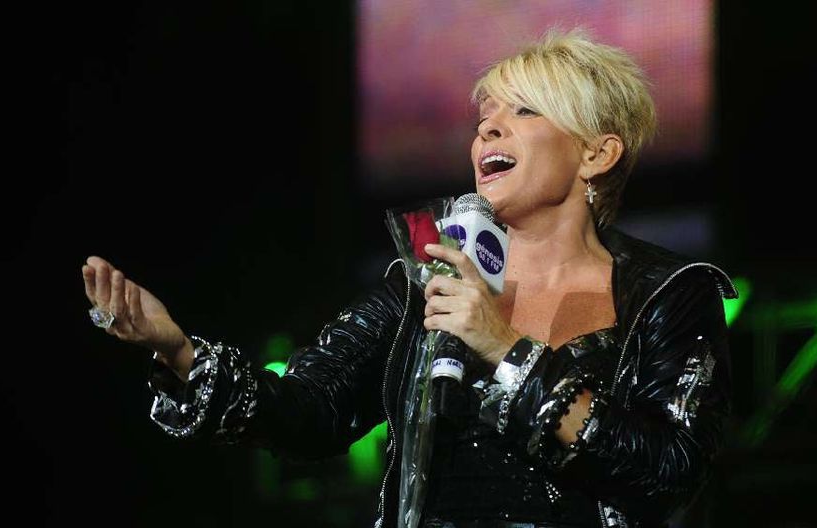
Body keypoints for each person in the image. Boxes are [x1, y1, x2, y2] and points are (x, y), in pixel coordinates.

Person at [82, 28, 736, 528]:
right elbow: (309, 412)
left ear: (597, 153)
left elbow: (671, 470)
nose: (488, 128)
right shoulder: (425, 277)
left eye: (524, 111)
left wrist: (506, 351)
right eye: (484, 118)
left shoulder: (668, 293)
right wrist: (180, 352)